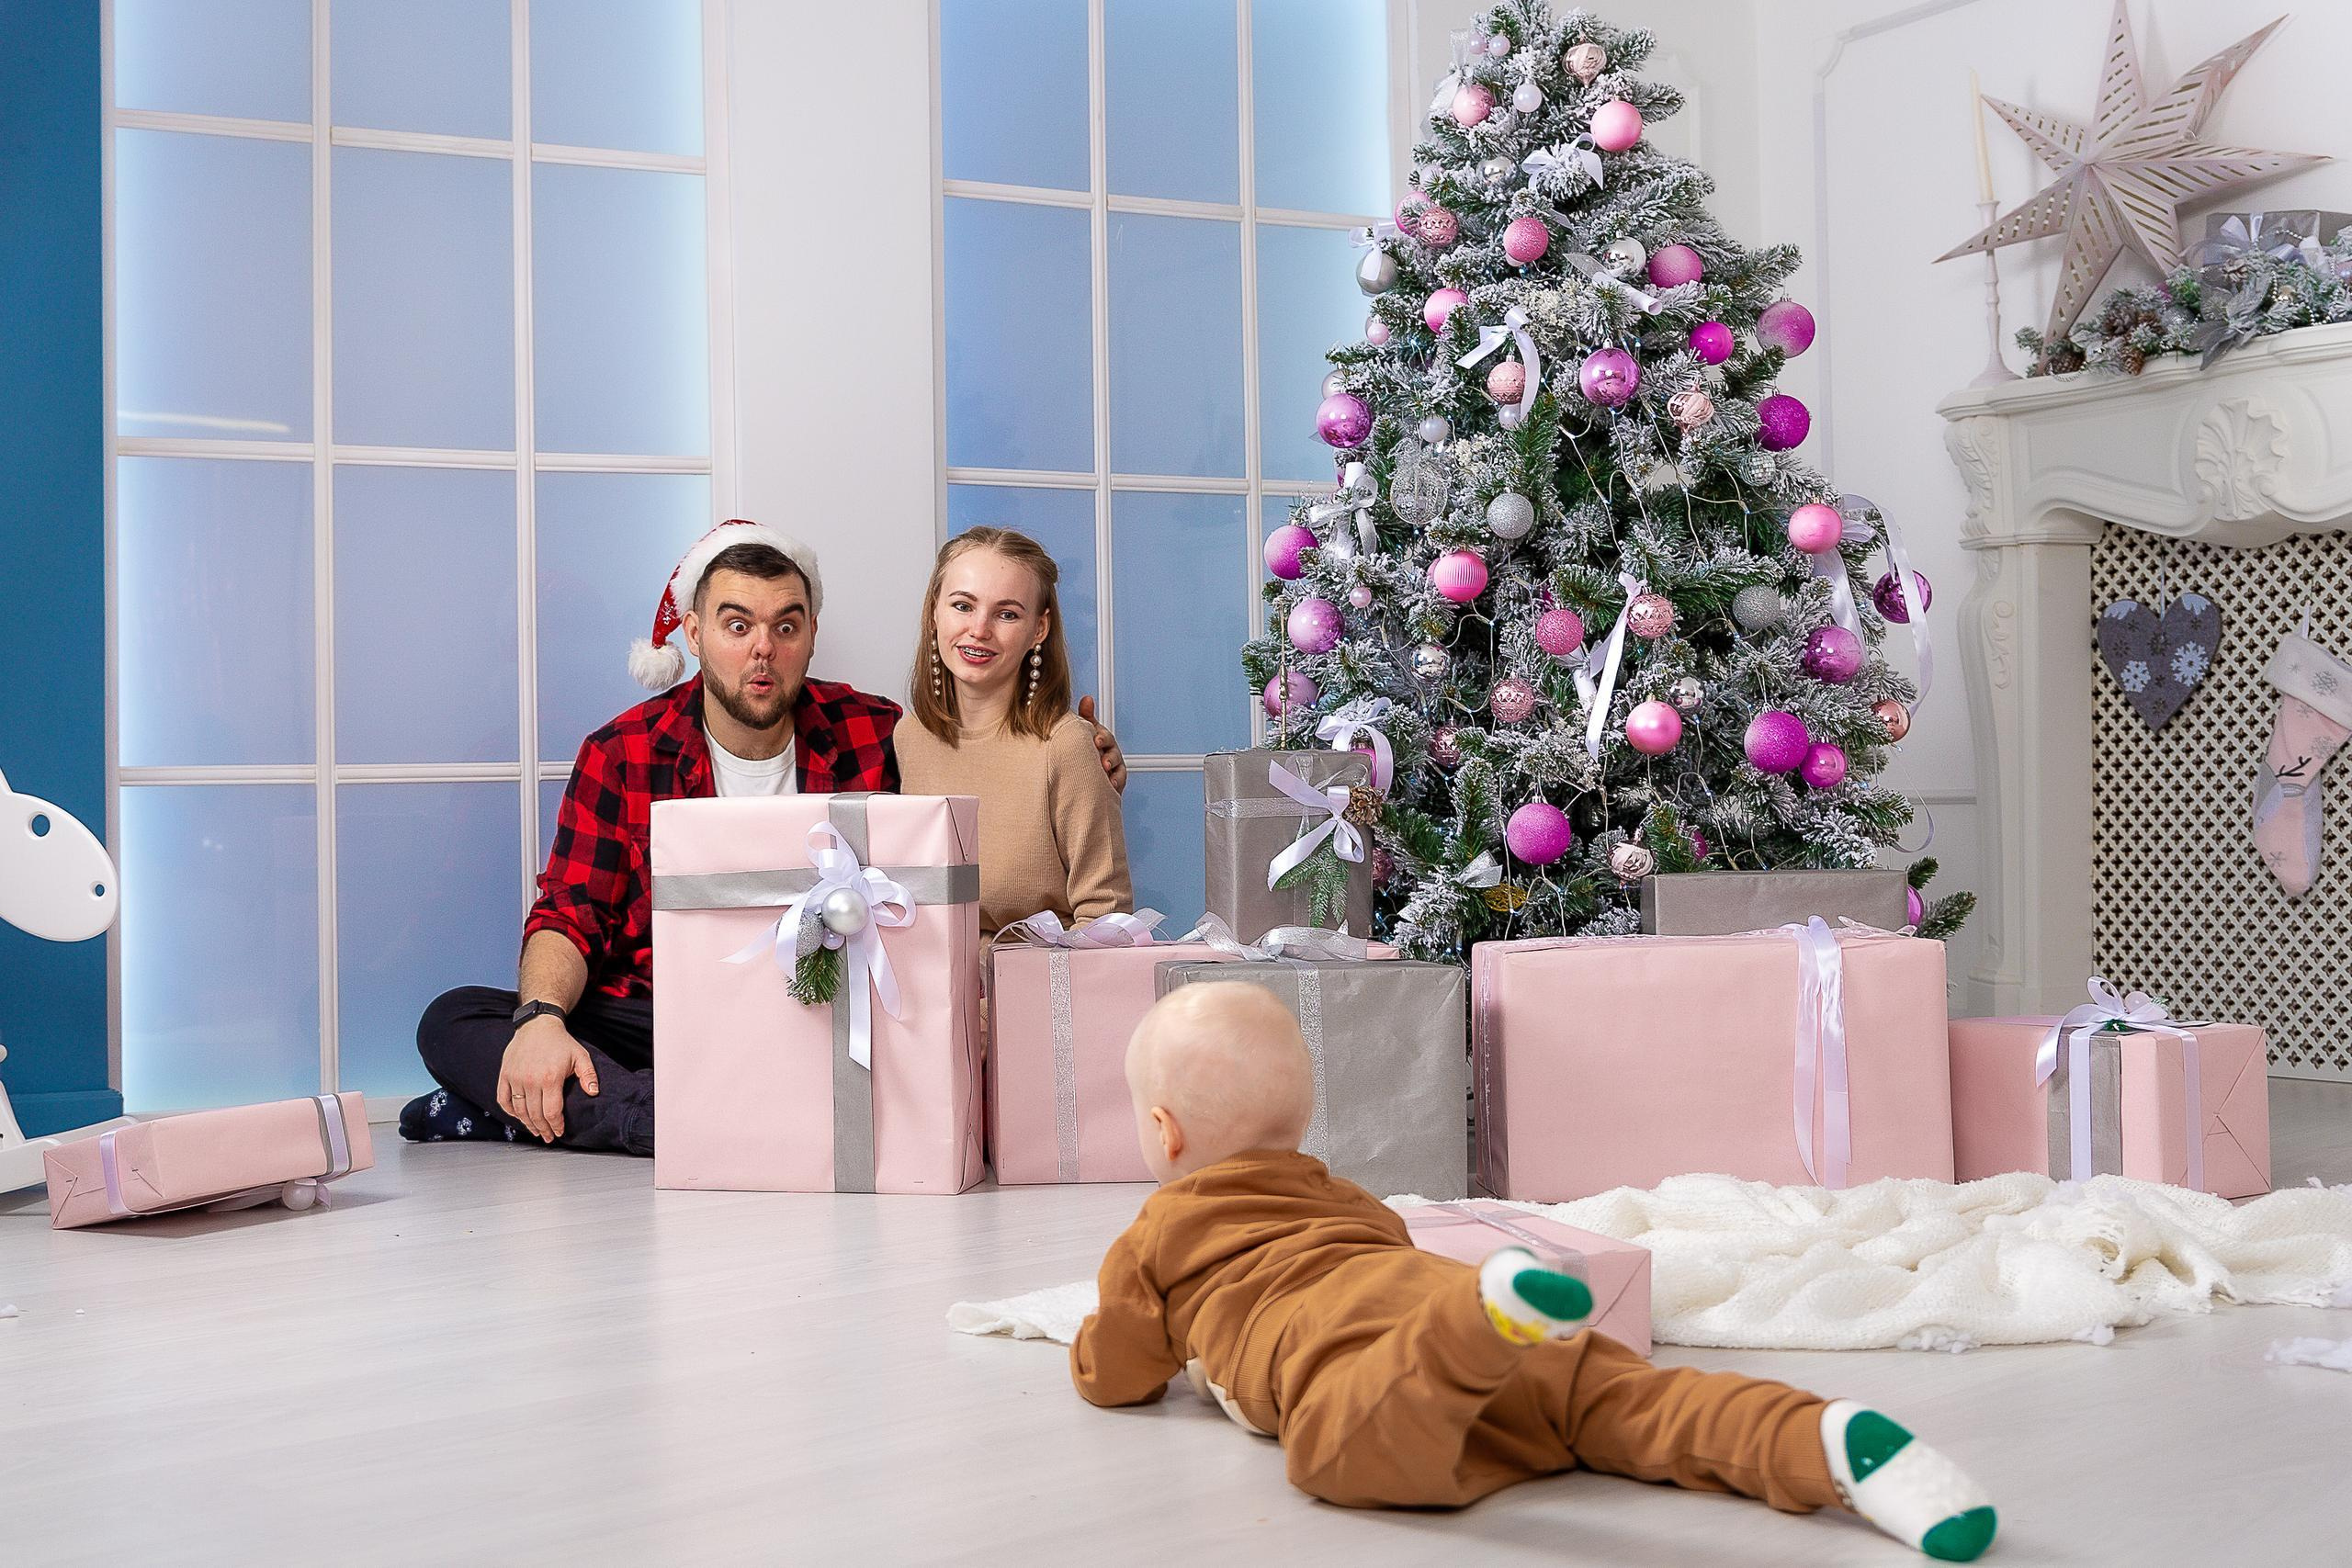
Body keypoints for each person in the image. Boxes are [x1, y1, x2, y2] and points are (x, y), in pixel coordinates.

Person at [1069, 984, 2000, 1562]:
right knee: (1647, 1408)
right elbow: (1383, 1268)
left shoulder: (1161, 1231)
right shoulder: (1355, 1204)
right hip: (1453, 1311)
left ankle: (1472, 1331)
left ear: (1164, 1132)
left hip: (1382, 1357)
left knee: (1338, 1448)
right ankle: (1821, 1441)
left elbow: (1116, 1374)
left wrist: (1104, 1347)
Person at [399, 519, 1128, 1155]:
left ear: (812, 634)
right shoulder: (623, 752)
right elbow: (570, 911)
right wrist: (540, 1020)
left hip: (812, 1013)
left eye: (785, 626)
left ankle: (581, 1114)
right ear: (693, 633)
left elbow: (987, 764)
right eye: (736, 624)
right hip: (661, 1014)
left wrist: (1084, 758)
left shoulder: (878, 734)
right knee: (456, 1017)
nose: (762, 650)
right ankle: (676, 1119)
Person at [895, 527, 1132, 943]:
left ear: (1038, 629)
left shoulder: (1068, 745)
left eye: (1007, 614)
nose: (979, 630)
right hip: (927, 994)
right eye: (963, 606)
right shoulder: (909, 737)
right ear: (935, 611)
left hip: (1036, 994)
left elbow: (1105, 916)